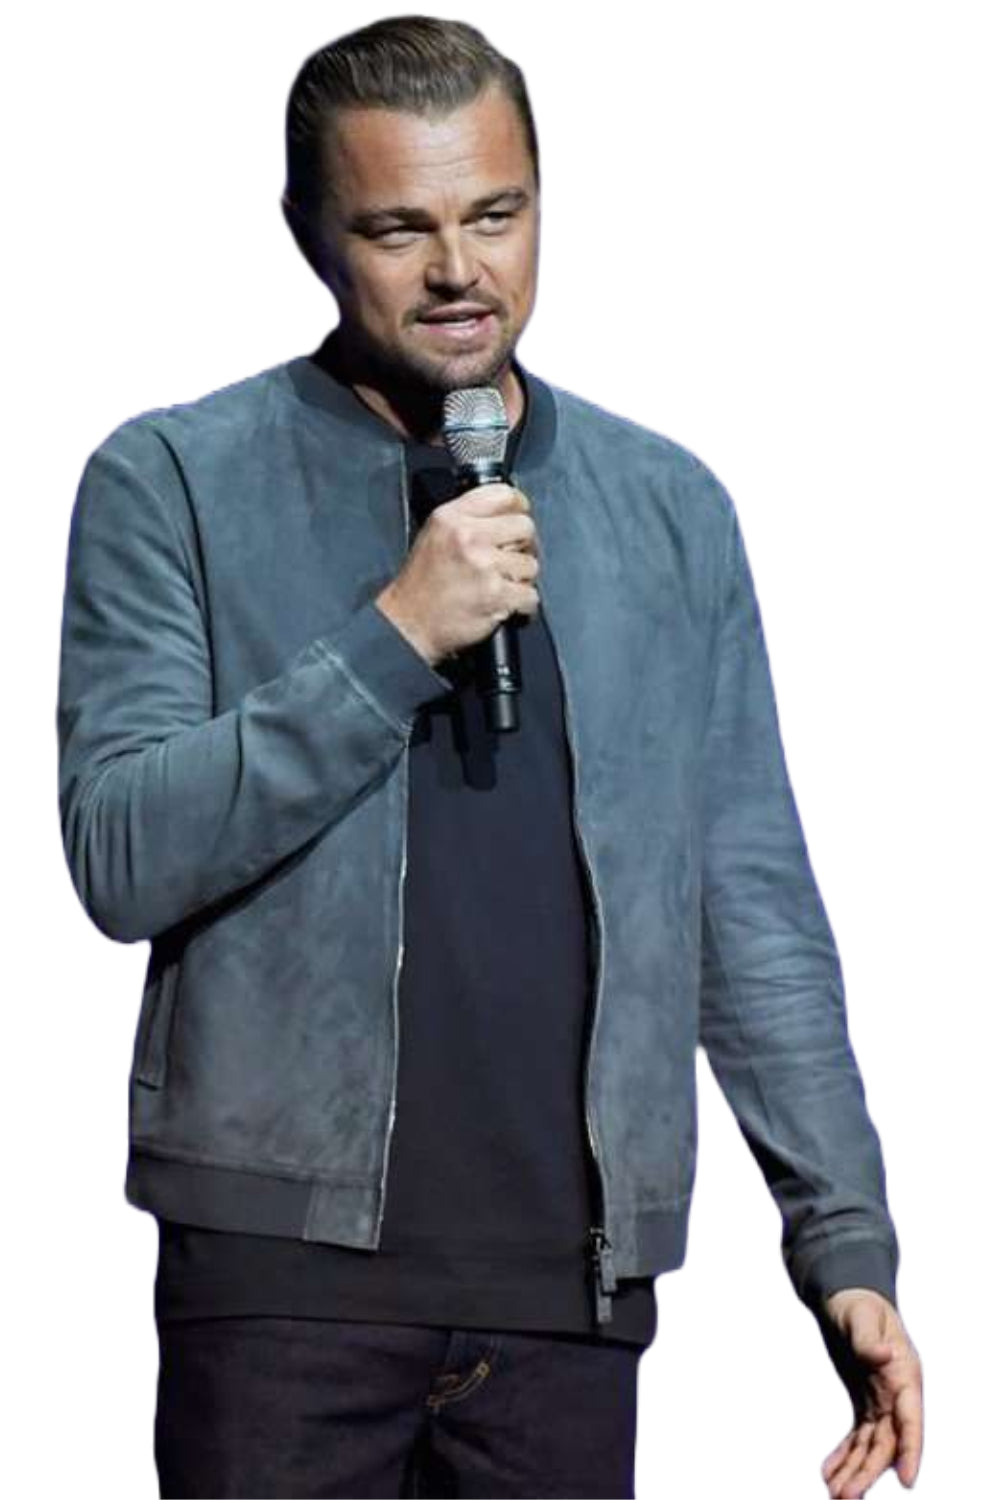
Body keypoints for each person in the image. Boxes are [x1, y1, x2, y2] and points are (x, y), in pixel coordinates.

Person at [55, 15, 924, 1500]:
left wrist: (842, 1243)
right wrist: (396, 636)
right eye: (399, 228)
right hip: (282, 1294)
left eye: (496, 215)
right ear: (309, 232)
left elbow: (749, 909)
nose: (460, 268)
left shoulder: (667, 510)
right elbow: (123, 853)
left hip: (567, 1309)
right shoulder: (176, 479)